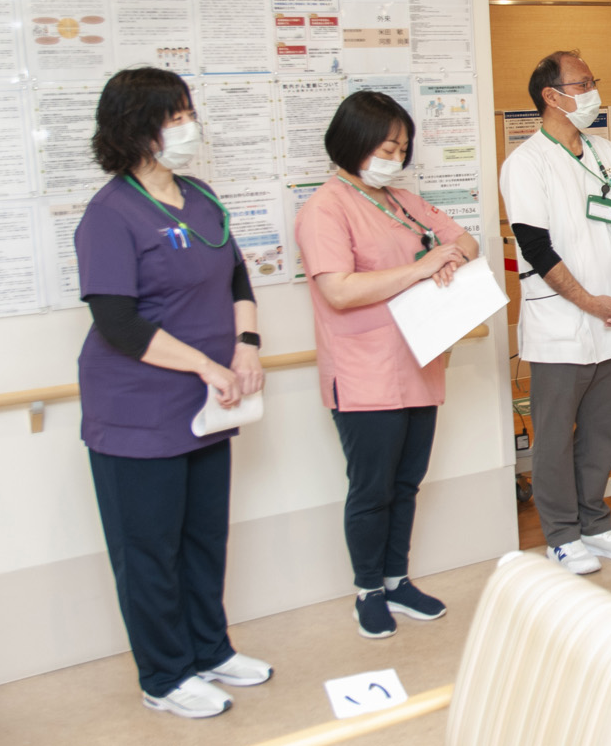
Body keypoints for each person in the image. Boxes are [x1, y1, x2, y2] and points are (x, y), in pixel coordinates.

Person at [76, 67, 271, 719]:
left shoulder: (200, 196)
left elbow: (237, 278)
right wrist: (205, 366)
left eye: (189, 113)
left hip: (207, 404)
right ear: (136, 129)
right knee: (149, 551)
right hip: (137, 409)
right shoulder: (111, 213)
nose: (189, 126)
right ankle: (164, 676)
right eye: (174, 116)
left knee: (203, 537)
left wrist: (246, 345)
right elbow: (118, 322)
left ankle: (210, 649)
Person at [294, 91, 477, 638]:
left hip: (418, 363)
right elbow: (339, 290)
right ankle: (368, 591)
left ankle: (398, 580)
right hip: (364, 372)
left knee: (406, 483)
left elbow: (466, 241)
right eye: (386, 147)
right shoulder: (325, 208)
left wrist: (450, 260)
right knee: (371, 489)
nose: (395, 158)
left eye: (401, 148)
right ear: (353, 142)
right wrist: (422, 268)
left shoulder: (401, 201)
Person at [500, 50, 611, 573]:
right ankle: (561, 535)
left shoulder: (606, 153)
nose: (593, 92)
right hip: (561, 324)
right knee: (555, 437)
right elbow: (535, 249)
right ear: (551, 95)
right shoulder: (526, 164)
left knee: (603, 433)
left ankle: (595, 523)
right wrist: (588, 301)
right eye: (582, 84)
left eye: (592, 81)